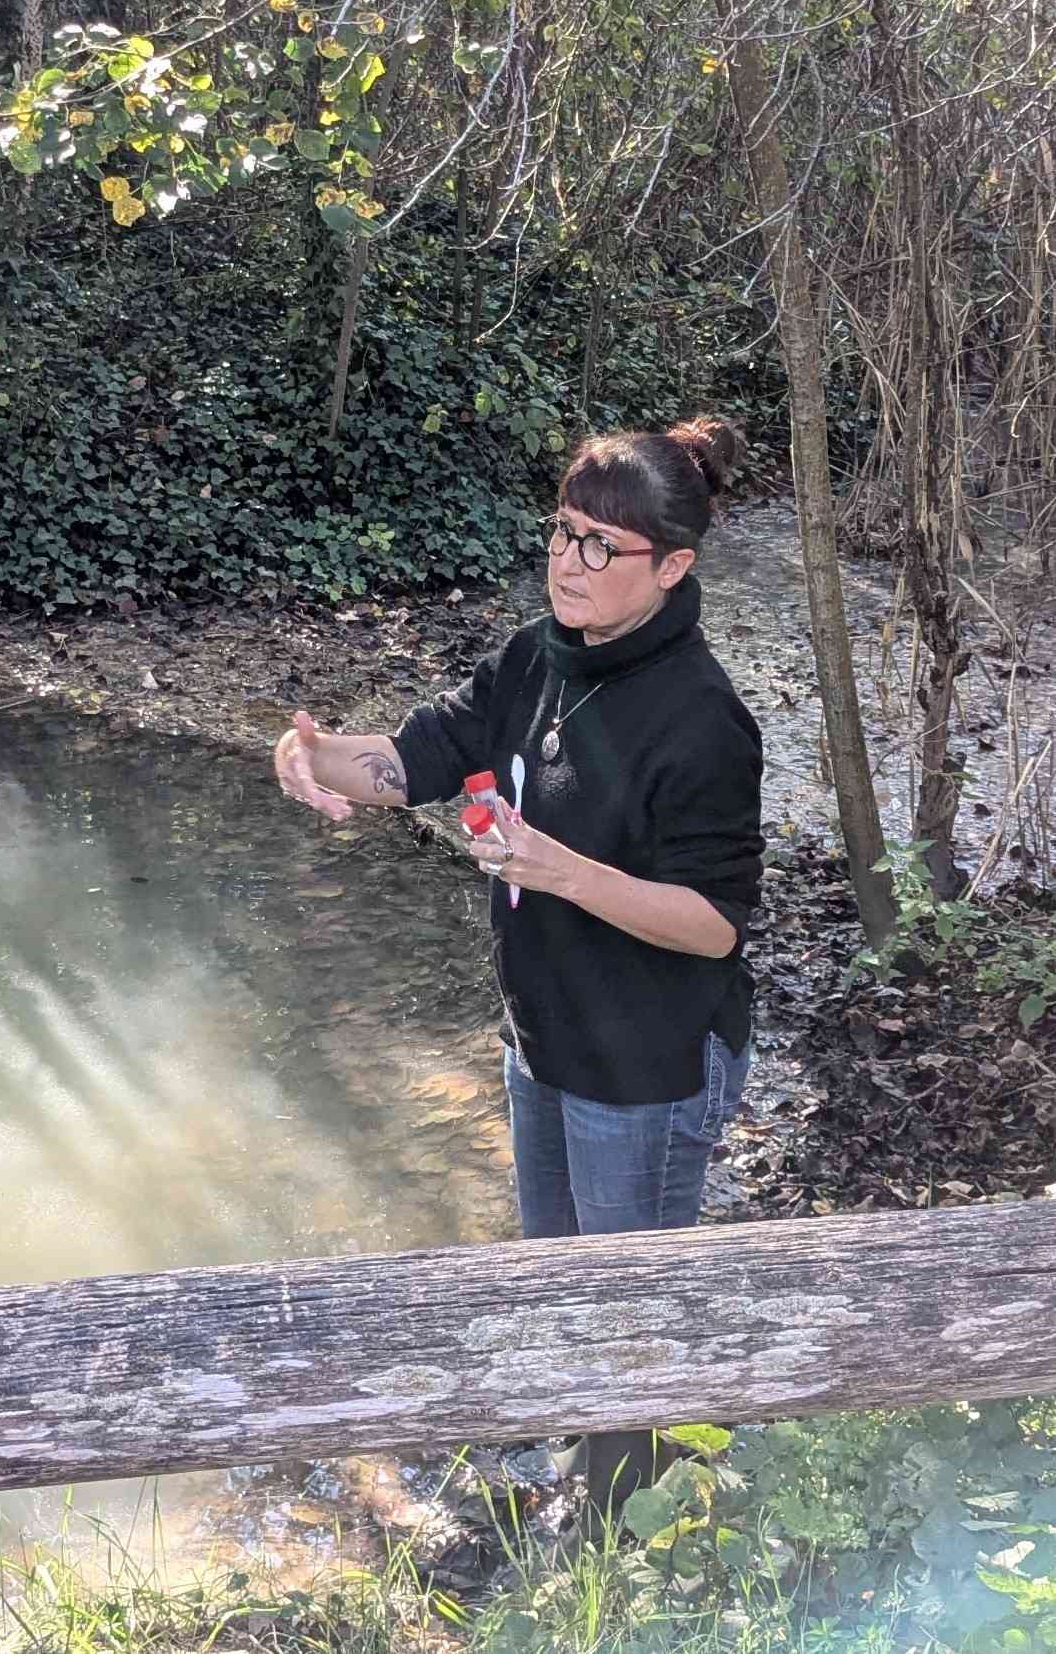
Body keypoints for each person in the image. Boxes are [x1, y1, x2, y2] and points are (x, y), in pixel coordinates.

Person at [273, 416, 765, 1515]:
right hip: (543, 1041)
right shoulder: (537, 655)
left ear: (672, 567)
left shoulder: (704, 719)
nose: (568, 562)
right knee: (555, 1284)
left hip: (645, 1070)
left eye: (601, 546)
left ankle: (620, 1532)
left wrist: (563, 870)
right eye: (562, 531)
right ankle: (576, 1475)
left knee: (624, 1316)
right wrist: (311, 756)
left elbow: (714, 925)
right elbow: (416, 756)